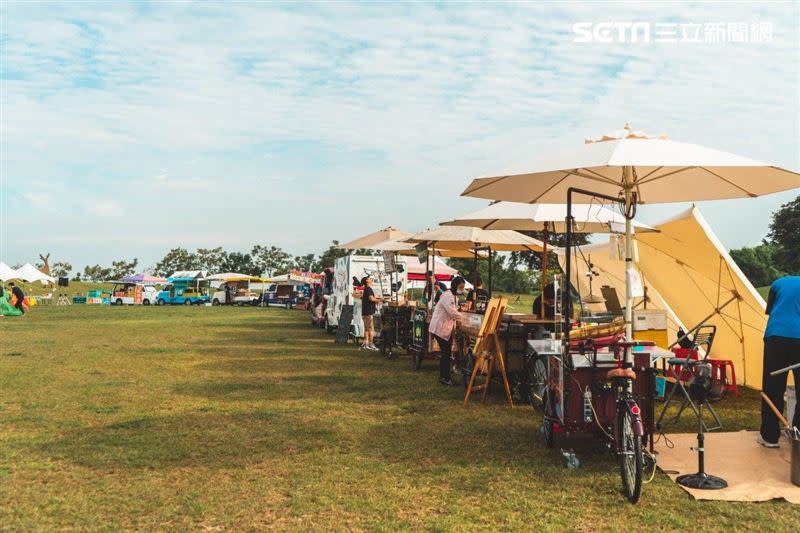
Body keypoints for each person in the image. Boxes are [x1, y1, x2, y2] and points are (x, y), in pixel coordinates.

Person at [758, 275, 800, 448]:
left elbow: (770, 309)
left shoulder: (777, 283)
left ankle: (769, 437)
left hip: (776, 336)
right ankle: (797, 435)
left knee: (772, 386)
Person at [429, 276, 466, 386]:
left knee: (446, 353)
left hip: (442, 327)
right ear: (455, 285)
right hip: (440, 327)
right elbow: (452, 313)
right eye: (461, 287)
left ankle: (444, 376)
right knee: (446, 353)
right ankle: (445, 378)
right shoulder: (447, 296)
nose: (462, 289)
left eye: (463, 287)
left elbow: (455, 310)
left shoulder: (452, 296)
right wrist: (465, 318)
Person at [360, 276, 381, 351]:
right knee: (371, 329)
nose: (371, 279)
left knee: (366, 329)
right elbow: (371, 298)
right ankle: (371, 344)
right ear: (366, 281)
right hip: (368, 312)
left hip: (365, 311)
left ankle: (366, 343)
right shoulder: (368, 289)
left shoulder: (366, 289)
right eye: (369, 278)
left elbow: (371, 298)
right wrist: (379, 300)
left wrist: (377, 298)